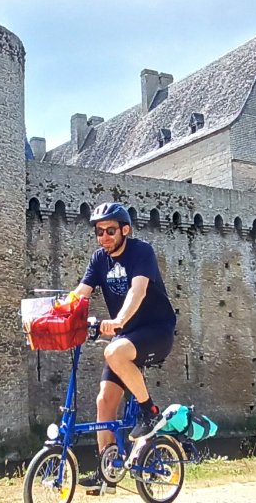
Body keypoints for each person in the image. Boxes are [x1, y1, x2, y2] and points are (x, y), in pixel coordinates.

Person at [71, 202, 176, 491]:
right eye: (99, 231)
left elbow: (137, 290)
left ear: (125, 230)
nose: (103, 236)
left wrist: (118, 320)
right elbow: (80, 295)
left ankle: (149, 411)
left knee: (113, 351)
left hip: (156, 331)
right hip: (128, 337)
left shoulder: (142, 252)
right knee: (104, 401)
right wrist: (53, 313)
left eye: (110, 230)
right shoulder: (98, 259)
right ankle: (108, 471)